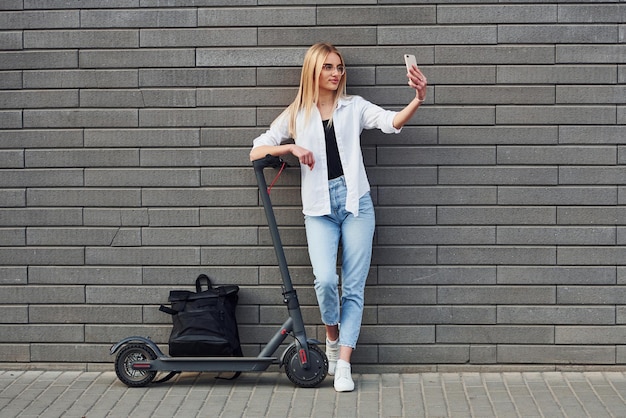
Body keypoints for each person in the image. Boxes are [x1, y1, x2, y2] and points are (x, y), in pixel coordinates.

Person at [249, 42, 427, 392]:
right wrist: (289, 147)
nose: (336, 74)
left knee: (354, 288)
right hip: (318, 208)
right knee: (326, 280)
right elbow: (257, 148)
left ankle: (343, 363)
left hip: (356, 202)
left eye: (339, 67)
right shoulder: (297, 114)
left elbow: (389, 122)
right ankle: (332, 337)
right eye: (328, 67)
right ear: (313, 71)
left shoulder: (353, 106)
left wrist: (418, 98)